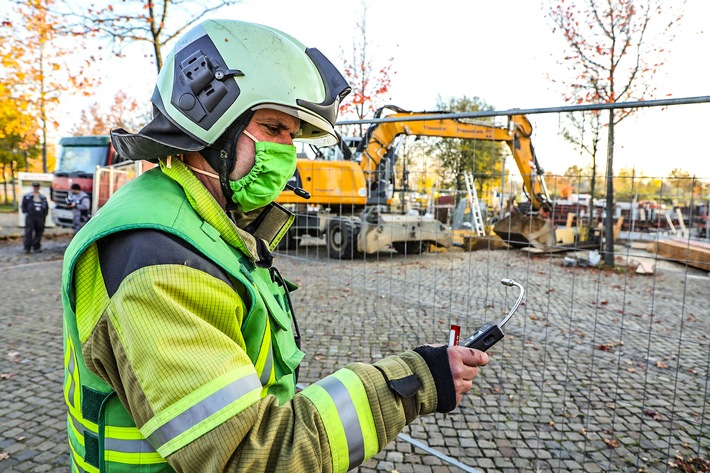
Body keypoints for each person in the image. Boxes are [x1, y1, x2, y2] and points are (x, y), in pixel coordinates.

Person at [61, 20, 488, 472]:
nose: (288, 151)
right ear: (208, 120)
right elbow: (254, 454)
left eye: (293, 135)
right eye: (272, 127)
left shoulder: (199, 223)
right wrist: (416, 379)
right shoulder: (160, 264)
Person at [21, 182, 49, 253]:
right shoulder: (27, 196)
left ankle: (36, 246)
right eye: (35, 187)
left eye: (37, 187)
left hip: (40, 216)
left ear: (39, 187)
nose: (36, 188)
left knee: (39, 232)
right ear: (33, 187)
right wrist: (26, 212)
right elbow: (23, 205)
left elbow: (46, 207)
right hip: (30, 216)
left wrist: (44, 214)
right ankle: (27, 248)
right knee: (28, 232)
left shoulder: (42, 197)